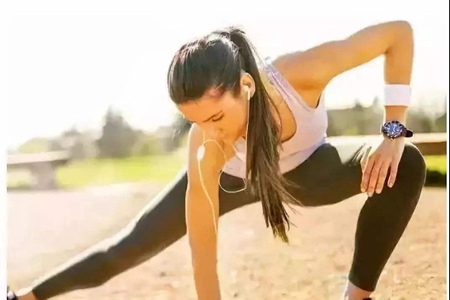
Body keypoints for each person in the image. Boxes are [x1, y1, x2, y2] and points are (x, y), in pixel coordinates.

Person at [10, 20, 426, 300]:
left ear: (245, 85)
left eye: (216, 117)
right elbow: (202, 248)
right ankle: (24, 297)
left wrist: (392, 132)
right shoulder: (206, 150)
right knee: (125, 248)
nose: (211, 133)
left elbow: (398, 35)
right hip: (234, 180)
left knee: (405, 162)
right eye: (196, 123)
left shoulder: (297, 73)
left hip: (307, 172)